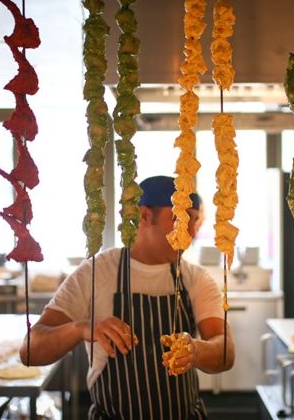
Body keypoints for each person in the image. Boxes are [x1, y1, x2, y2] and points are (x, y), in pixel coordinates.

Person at [22, 176, 235, 419]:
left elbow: (226, 351)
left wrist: (195, 350)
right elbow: (30, 350)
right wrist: (81, 328)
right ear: (144, 215)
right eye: (179, 219)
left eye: (195, 221)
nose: (190, 233)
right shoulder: (96, 272)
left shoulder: (195, 278)